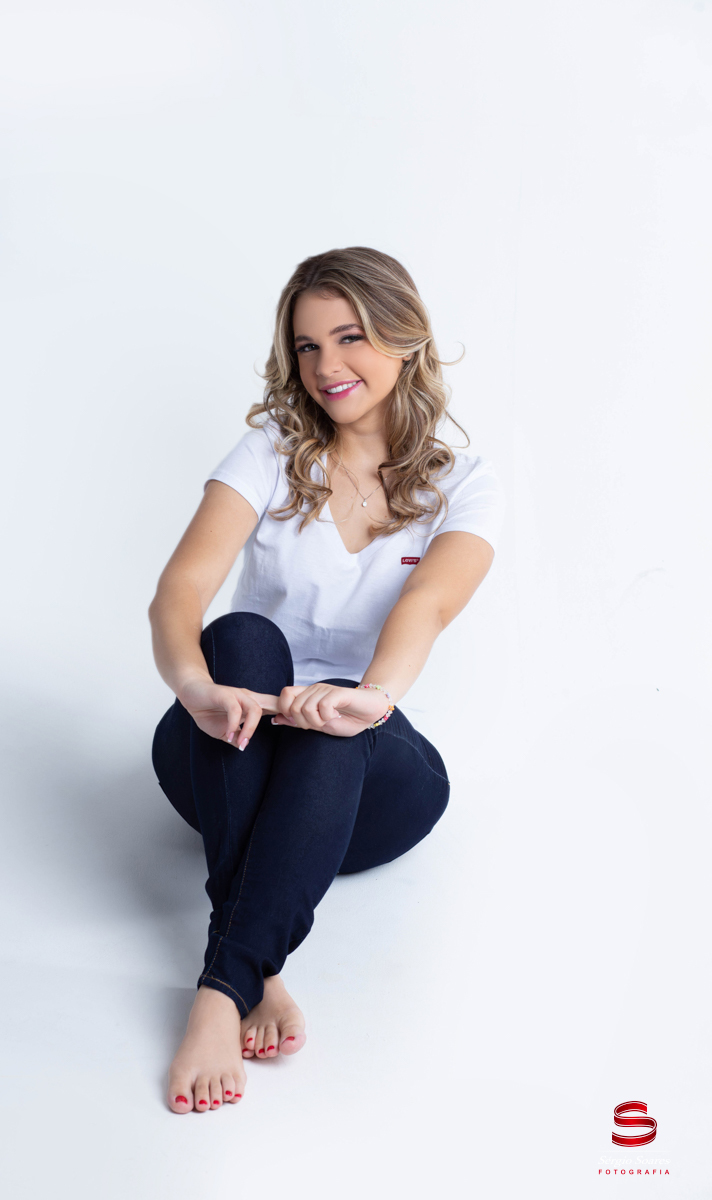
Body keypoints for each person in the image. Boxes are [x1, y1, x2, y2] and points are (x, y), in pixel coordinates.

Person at [148, 246, 504, 1114]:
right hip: (228, 744)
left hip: (362, 779)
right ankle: (250, 974)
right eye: (307, 346)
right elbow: (180, 592)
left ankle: (223, 982)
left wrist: (368, 698)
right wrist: (196, 688)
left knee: (338, 719)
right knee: (240, 635)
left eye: (349, 338)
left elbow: (427, 605)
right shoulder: (271, 452)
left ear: (404, 336)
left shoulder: (465, 484)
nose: (326, 366)